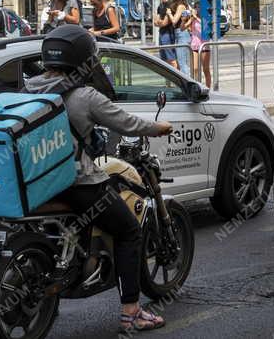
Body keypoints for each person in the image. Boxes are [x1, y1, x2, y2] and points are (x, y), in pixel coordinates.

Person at [25, 25, 171, 333]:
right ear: (84, 60)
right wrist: (159, 128)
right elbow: (127, 123)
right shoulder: (85, 96)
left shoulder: (28, 89)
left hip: (37, 183)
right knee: (129, 230)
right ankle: (131, 311)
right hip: (77, 184)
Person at [169, 0, 193, 76]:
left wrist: (169, 14)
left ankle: (189, 84)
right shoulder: (185, 6)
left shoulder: (181, 6)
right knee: (182, 62)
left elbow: (174, 21)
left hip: (182, 34)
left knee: (182, 62)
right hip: (181, 34)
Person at [154, 0, 178, 68]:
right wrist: (159, 21)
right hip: (161, 33)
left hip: (168, 33)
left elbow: (164, 23)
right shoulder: (160, 6)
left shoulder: (170, 4)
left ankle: (177, 78)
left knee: (171, 58)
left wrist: (159, 22)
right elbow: (155, 22)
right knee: (164, 59)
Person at [190, 2, 212, 89]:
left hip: (204, 46)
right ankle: (197, 87)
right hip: (194, 46)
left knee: (205, 69)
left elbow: (206, 28)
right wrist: (188, 19)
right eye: (196, 8)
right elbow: (184, 27)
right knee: (195, 69)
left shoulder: (206, 18)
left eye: (199, 7)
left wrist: (196, 18)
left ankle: (208, 88)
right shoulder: (193, 19)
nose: (198, 9)